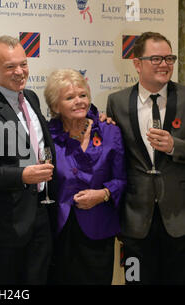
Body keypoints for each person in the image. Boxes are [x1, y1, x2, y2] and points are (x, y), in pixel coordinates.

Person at [106, 31, 185, 284]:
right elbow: (115, 157)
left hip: (182, 218)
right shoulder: (116, 102)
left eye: (169, 58)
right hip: (135, 220)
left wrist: (176, 146)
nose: (165, 64)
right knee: (135, 280)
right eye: (156, 59)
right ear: (137, 64)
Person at [0, 36, 55, 284]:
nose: (19, 72)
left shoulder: (32, 98)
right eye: (10, 67)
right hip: (7, 224)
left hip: (41, 214)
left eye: (23, 64)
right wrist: (22, 175)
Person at [44, 69, 127, 284]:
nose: (79, 102)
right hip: (59, 231)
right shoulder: (46, 135)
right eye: (69, 98)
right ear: (55, 106)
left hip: (98, 229)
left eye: (82, 95)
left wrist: (104, 194)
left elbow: (122, 179)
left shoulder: (110, 131)